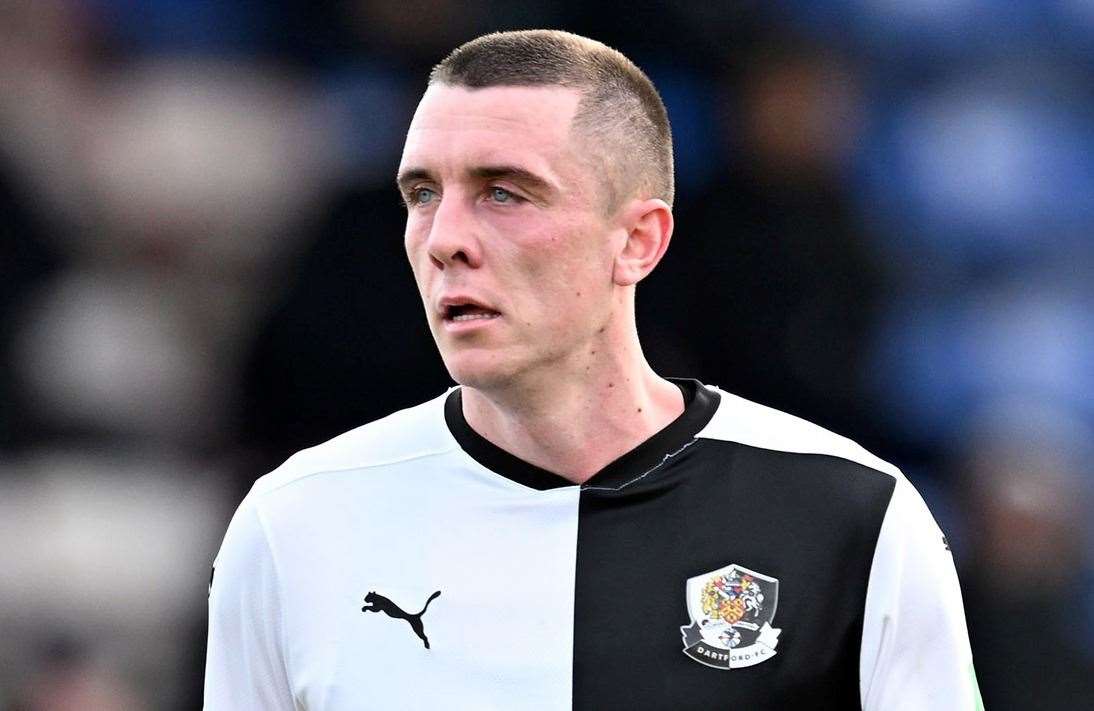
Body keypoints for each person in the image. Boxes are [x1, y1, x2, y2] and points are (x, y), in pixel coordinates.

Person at [205, 30, 981, 710]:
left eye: (503, 192)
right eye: (422, 194)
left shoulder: (852, 516)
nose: (444, 239)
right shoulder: (295, 524)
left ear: (638, 240)